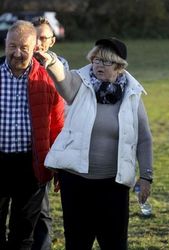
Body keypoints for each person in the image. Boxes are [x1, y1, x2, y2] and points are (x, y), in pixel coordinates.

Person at [35, 37, 153, 250]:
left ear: (119, 67)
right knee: (77, 242)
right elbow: (62, 78)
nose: (98, 65)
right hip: (76, 182)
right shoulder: (80, 82)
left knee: (115, 243)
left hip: (113, 184)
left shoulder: (132, 93)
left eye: (106, 62)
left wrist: (146, 175)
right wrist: (51, 61)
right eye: (96, 59)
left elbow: (144, 138)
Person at [0, 20, 64, 250]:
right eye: (12, 46)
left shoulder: (46, 78)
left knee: (23, 233)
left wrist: (57, 164)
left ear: (35, 47)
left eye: (24, 48)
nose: (17, 53)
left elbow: (57, 124)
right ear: (5, 44)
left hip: (31, 164)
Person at [31, 16, 69, 250]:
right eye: (34, 38)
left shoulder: (60, 67)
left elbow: (63, 111)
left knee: (41, 208)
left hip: (48, 141)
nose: (37, 43)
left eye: (43, 38)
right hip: (22, 139)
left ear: (52, 41)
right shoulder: (19, 63)